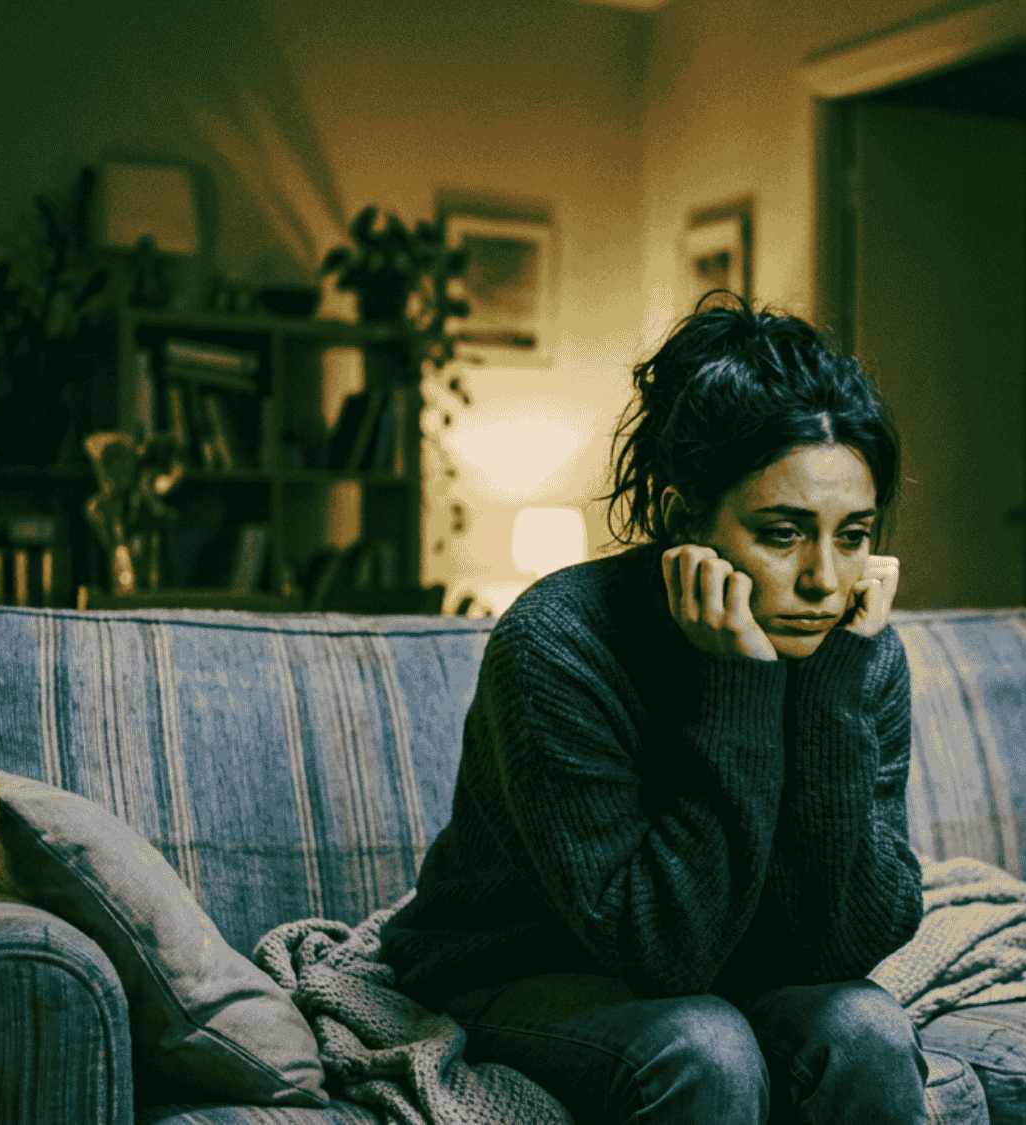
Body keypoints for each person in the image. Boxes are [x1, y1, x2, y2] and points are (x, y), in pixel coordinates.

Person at [380, 297, 928, 1124]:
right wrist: (739, 682)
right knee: (703, 1045)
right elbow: (666, 949)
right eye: (783, 534)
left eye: (852, 535)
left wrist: (828, 696)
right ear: (683, 520)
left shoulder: (857, 652)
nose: (825, 579)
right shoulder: (558, 644)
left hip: (728, 968)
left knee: (869, 1028)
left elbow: (853, 941)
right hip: (513, 967)